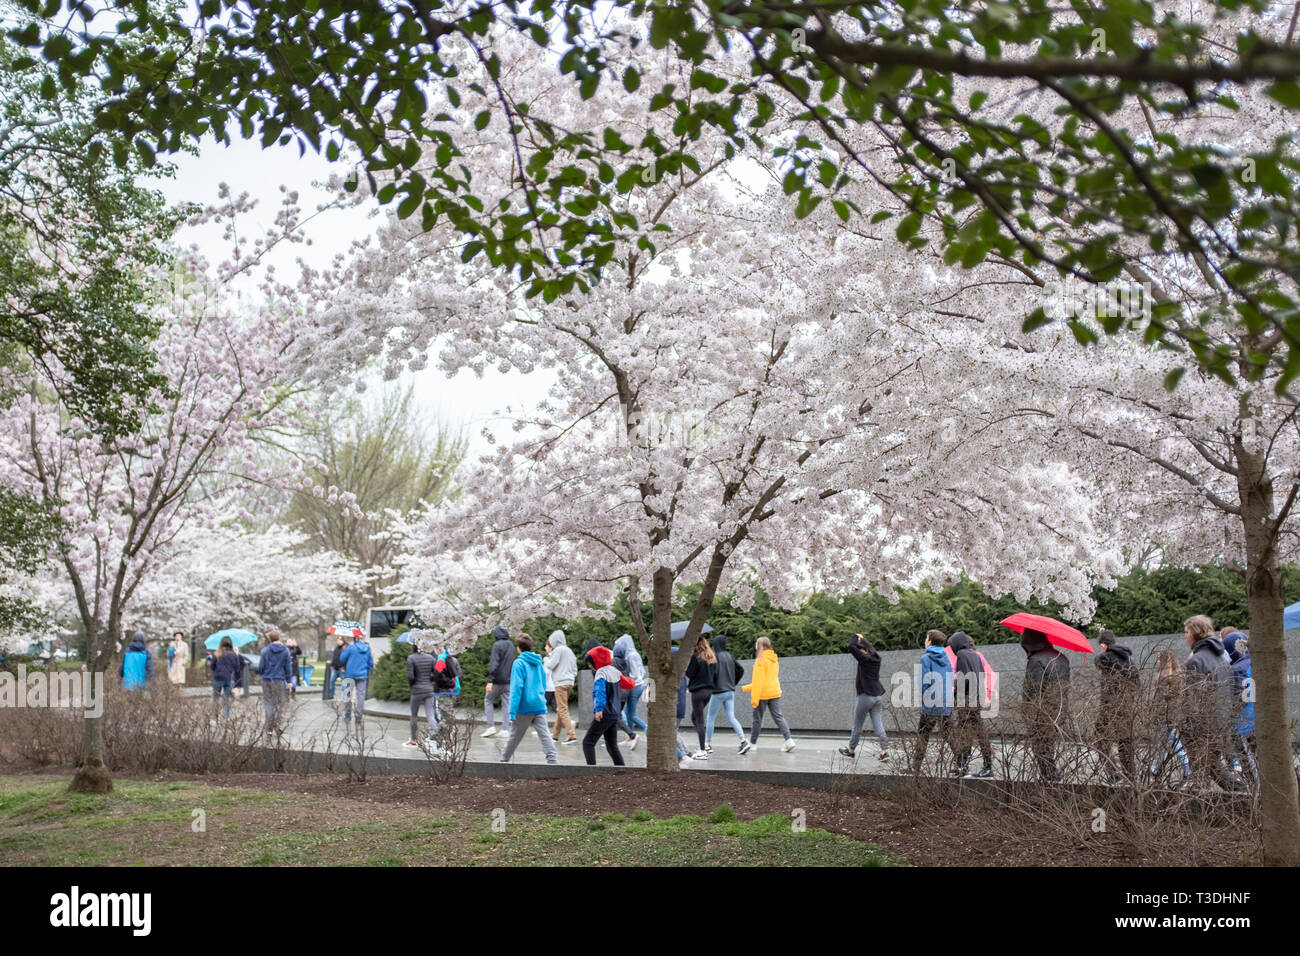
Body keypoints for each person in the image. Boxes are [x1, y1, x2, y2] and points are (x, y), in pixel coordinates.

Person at [1181, 615, 1240, 791]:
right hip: (1221, 721)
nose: (1185, 636)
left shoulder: (1196, 661)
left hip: (1203, 726)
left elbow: (1192, 699)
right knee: (1207, 767)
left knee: (1209, 766)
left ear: (1194, 633)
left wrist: (1187, 727)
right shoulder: (1220, 658)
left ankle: (1240, 795)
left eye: (1186, 632)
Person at [498, 634, 558, 764]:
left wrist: (512, 711)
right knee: (545, 734)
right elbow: (543, 684)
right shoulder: (538, 663)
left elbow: (516, 688)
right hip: (539, 704)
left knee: (514, 736)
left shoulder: (518, 663)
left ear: (518, 648)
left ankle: (503, 761)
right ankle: (552, 761)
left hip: (524, 706)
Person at [1019, 626, 1069, 782]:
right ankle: (1051, 778)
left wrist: (1028, 713)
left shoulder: (1036, 660)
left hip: (1041, 712)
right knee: (1049, 746)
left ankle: (1050, 780)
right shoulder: (1061, 657)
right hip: (1059, 708)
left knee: (1041, 748)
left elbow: (1033, 690)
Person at [1093, 628, 1139, 782]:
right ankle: (1130, 773)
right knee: (1125, 741)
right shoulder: (1129, 659)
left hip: (1109, 706)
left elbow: (1097, 661)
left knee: (1100, 739)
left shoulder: (1105, 658)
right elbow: (1136, 684)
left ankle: (1112, 771)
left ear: (1103, 644)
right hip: (1126, 706)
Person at [739, 636, 795, 754]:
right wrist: (746, 688)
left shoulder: (760, 661)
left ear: (760, 646)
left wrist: (752, 696)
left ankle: (753, 744)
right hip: (774, 691)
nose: (755, 645)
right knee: (778, 716)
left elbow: (759, 682)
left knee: (757, 719)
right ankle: (789, 740)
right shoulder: (774, 659)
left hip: (762, 694)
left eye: (756, 644)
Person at [949, 631, 993, 778]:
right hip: (976, 698)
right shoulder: (975, 654)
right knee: (979, 732)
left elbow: (964, 678)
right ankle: (984, 765)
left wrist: (956, 695)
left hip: (966, 700)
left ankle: (964, 765)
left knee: (963, 733)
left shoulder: (961, 655)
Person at [839, 633, 889, 760]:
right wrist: (864, 640)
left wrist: (855, 637)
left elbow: (851, 647)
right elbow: (870, 648)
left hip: (865, 696)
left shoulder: (864, 659)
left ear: (862, 650)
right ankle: (884, 751)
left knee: (857, 725)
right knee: (878, 724)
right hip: (877, 696)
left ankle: (851, 750)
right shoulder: (876, 657)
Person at [911, 630, 954, 773]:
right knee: (949, 735)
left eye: (926, 638)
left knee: (923, 734)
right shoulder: (947, 657)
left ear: (929, 642)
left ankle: (916, 768)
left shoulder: (926, 658)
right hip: (946, 701)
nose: (925, 640)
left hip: (931, 702)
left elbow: (924, 683)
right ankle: (961, 764)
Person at [582, 646, 634, 766]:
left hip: (604, 713)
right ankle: (622, 771)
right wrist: (633, 681)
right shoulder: (614, 671)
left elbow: (600, 692)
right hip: (615, 714)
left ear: (596, 661)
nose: (590, 666)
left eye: (590, 663)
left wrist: (598, 709)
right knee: (612, 746)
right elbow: (628, 684)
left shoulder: (600, 673)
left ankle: (591, 772)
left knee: (588, 743)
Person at [1222, 632, 1257, 785]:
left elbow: (1235, 700)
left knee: (1249, 764)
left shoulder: (1235, 670)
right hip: (1259, 721)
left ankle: (1256, 793)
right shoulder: (1257, 663)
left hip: (1243, 723)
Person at [1151, 648, 1191, 784]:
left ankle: (1187, 769)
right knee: (1163, 743)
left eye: (1158, 659)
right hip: (1174, 715)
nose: (1156, 662)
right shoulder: (1177, 675)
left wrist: (1154, 714)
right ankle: (1155, 769)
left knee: (1172, 743)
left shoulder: (1163, 678)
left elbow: (1159, 701)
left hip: (1164, 717)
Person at [705, 633, 747, 753]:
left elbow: (713, 674)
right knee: (731, 717)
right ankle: (743, 741)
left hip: (718, 692)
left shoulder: (715, 657)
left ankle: (707, 744)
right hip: (730, 691)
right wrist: (733, 683)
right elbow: (741, 670)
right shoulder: (729, 656)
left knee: (710, 718)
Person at [403, 632, 439, 749]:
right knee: (430, 715)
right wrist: (430, 682)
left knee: (414, 715)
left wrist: (412, 685)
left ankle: (413, 739)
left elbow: (410, 676)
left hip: (417, 690)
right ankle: (437, 737)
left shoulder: (411, 658)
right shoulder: (431, 657)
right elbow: (435, 674)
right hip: (429, 690)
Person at [685, 636, 718, 758]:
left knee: (699, 720)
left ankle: (703, 750)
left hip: (698, 692)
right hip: (708, 692)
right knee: (695, 717)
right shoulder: (712, 658)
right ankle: (702, 744)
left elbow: (690, 673)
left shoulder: (695, 658)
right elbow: (715, 675)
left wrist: (688, 661)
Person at [545, 630, 579, 744]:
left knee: (562, 709)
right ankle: (555, 735)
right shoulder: (569, 651)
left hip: (560, 683)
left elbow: (551, 665)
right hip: (570, 682)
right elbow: (575, 669)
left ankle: (571, 736)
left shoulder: (558, 650)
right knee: (561, 708)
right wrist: (571, 678)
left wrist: (545, 660)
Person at [339, 632, 375, 735]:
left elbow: (342, 659)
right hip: (362, 675)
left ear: (354, 638)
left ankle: (347, 714)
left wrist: (344, 650)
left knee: (348, 695)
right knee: (361, 696)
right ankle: (358, 717)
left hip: (350, 674)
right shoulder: (367, 648)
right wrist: (365, 670)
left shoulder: (350, 648)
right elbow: (371, 663)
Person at [481, 625, 515, 738]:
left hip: (496, 681)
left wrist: (490, 680)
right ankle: (505, 729)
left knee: (488, 700)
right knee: (506, 704)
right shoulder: (511, 645)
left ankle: (491, 727)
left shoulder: (497, 645)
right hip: (508, 681)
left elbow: (494, 663)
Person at [259, 629, 293, 734]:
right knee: (279, 703)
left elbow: (261, 667)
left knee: (268, 703)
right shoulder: (285, 650)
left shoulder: (265, 651)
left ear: (269, 639)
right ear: (279, 638)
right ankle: (278, 724)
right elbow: (288, 666)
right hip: (279, 680)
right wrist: (289, 680)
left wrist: (263, 673)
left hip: (267, 680)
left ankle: (269, 728)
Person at [614, 634, 649, 735]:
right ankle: (630, 736)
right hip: (638, 685)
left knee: (631, 715)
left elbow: (634, 674)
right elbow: (642, 671)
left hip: (635, 686)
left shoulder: (631, 656)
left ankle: (645, 727)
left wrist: (626, 679)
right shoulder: (635, 654)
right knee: (629, 713)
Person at [207, 636, 243, 720]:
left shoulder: (217, 653)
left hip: (218, 678)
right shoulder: (234, 655)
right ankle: (226, 717)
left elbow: (212, 666)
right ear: (231, 644)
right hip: (229, 679)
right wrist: (237, 656)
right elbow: (237, 668)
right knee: (226, 699)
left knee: (215, 698)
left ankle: (214, 718)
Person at [323, 634, 345, 701]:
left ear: (343, 641)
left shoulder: (344, 648)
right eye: (338, 640)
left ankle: (345, 696)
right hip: (335, 668)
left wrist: (344, 667)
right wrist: (332, 665)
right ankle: (331, 695)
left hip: (342, 669)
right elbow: (334, 658)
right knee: (331, 681)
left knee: (344, 683)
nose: (339, 641)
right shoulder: (336, 648)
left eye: (340, 640)